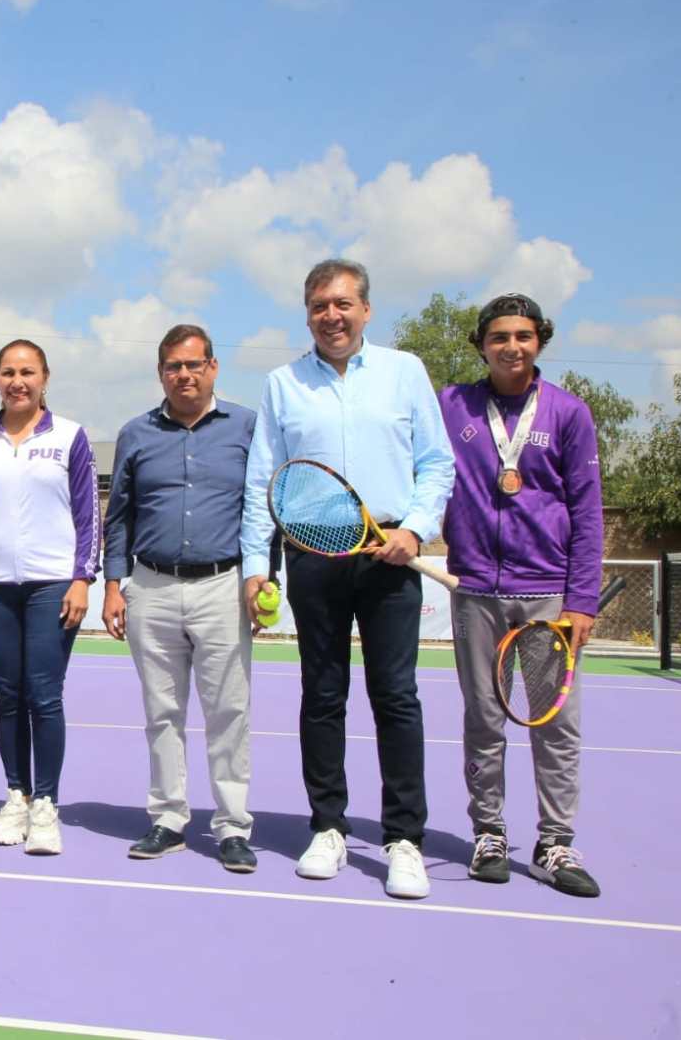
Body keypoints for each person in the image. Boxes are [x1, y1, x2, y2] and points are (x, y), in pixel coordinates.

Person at [240, 259, 455, 899]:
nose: (330, 316)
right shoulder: (282, 383)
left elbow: (436, 463)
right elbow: (263, 480)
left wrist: (415, 529)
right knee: (323, 694)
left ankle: (404, 839)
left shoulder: (404, 371)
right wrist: (257, 568)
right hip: (314, 554)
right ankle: (328, 826)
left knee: (396, 697)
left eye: (341, 304)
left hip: (392, 553)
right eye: (318, 306)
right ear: (307, 313)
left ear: (365, 309)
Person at [438, 294, 603, 897]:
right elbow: (421, 467)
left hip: (547, 595)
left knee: (553, 723)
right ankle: (489, 833)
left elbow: (587, 512)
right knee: (484, 719)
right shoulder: (450, 405)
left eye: (524, 336)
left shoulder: (568, 413)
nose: (512, 347)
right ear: (481, 345)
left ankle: (554, 842)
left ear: (540, 342)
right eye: (500, 336)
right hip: (476, 591)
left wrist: (581, 600)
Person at [102, 325, 258, 872]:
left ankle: (233, 826)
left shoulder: (247, 427)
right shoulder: (136, 433)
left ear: (213, 367)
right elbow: (118, 516)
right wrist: (114, 585)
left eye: (194, 364)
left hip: (223, 586)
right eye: (173, 366)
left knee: (228, 712)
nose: (184, 375)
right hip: (152, 586)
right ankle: (168, 819)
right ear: (161, 373)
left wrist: (262, 577)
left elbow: (262, 509)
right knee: (161, 712)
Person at [0, 340, 97, 855]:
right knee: (8, 696)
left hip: (53, 584)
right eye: (8, 372)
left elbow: (88, 513)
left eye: (27, 372)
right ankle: (17, 796)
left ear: (45, 378)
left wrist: (82, 578)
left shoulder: (70, 436)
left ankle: (46, 806)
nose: (17, 382)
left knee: (44, 695)